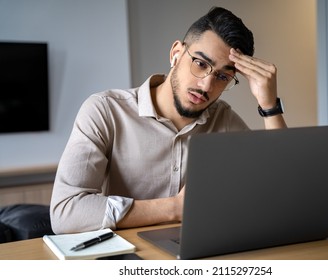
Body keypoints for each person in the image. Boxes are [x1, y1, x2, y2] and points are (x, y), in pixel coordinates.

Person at [50, 6, 287, 234]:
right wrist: (174, 208)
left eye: (223, 76)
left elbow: (282, 189)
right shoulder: (105, 110)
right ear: (175, 54)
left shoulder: (223, 119)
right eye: (201, 64)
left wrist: (269, 106)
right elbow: (66, 212)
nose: (206, 85)